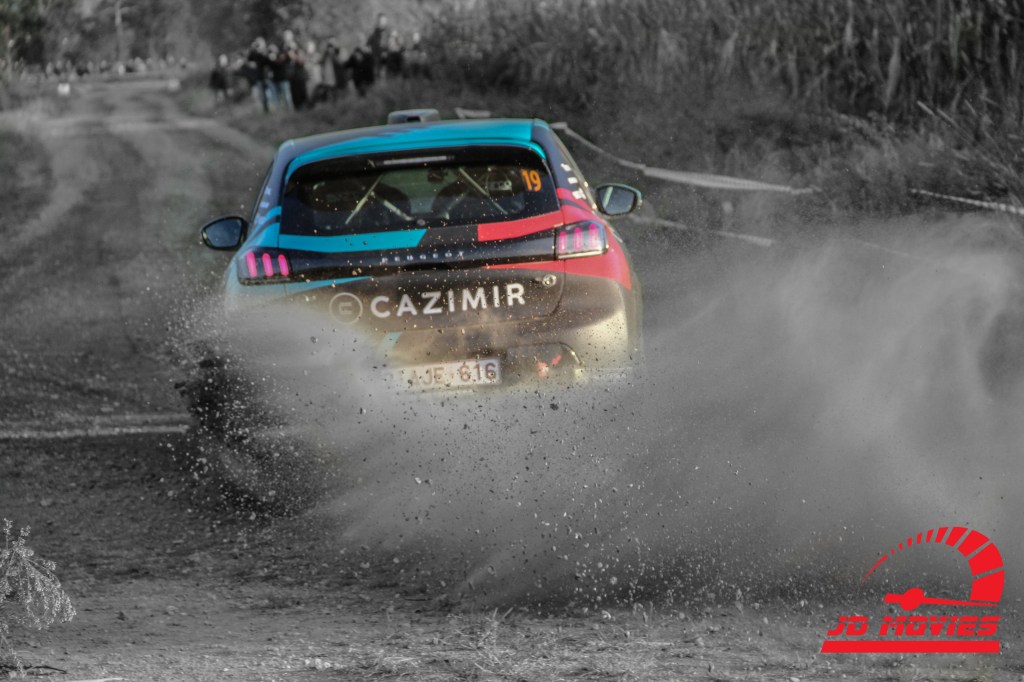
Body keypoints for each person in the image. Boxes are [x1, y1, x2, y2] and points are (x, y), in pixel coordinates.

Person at [366, 13, 389, 79]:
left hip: (387, 59)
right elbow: (367, 45)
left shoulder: (387, 32)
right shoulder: (374, 33)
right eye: (382, 21)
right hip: (376, 57)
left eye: (385, 20)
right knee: (377, 73)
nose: (384, 22)